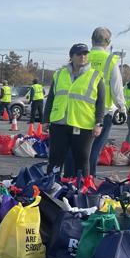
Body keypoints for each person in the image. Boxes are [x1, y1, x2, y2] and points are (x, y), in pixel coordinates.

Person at [44, 43, 105, 178]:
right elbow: (51, 98)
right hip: (59, 123)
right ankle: (52, 187)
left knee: (82, 160)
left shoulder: (95, 76)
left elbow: (101, 102)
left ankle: (81, 190)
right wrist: (46, 120)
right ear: (71, 57)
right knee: (55, 160)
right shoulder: (59, 74)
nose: (83, 57)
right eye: (79, 54)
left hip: (83, 124)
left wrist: (99, 123)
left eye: (85, 54)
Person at [86, 27, 126, 176]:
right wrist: (122, 107)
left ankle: (74, 177)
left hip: (82, 109)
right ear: (108, 42)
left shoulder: (84, 57)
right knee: (95, 147)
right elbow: (116, 87)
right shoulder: (110, 60)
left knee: (80, 147)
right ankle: (89, 177)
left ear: (92, 40)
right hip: (104, 111)